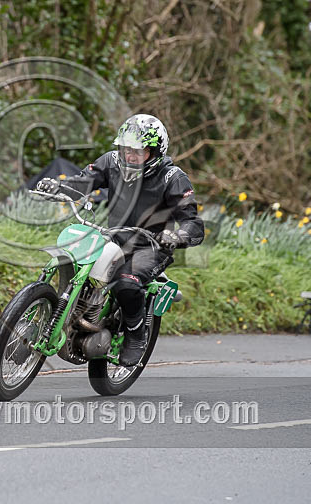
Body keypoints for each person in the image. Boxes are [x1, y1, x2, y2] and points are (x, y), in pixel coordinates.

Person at [36, 114, 204, 366]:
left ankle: (136, 336)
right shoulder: (110, 162)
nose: (130, 156)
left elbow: (193, 223)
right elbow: (83, 182)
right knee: (77, 262)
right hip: (114, 237)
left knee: (126, 282)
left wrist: (177, 235)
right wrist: (59, 188)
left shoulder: (173, 178)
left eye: (138, 151)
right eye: (126, 149)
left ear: (155, 151)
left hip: (152, 246)